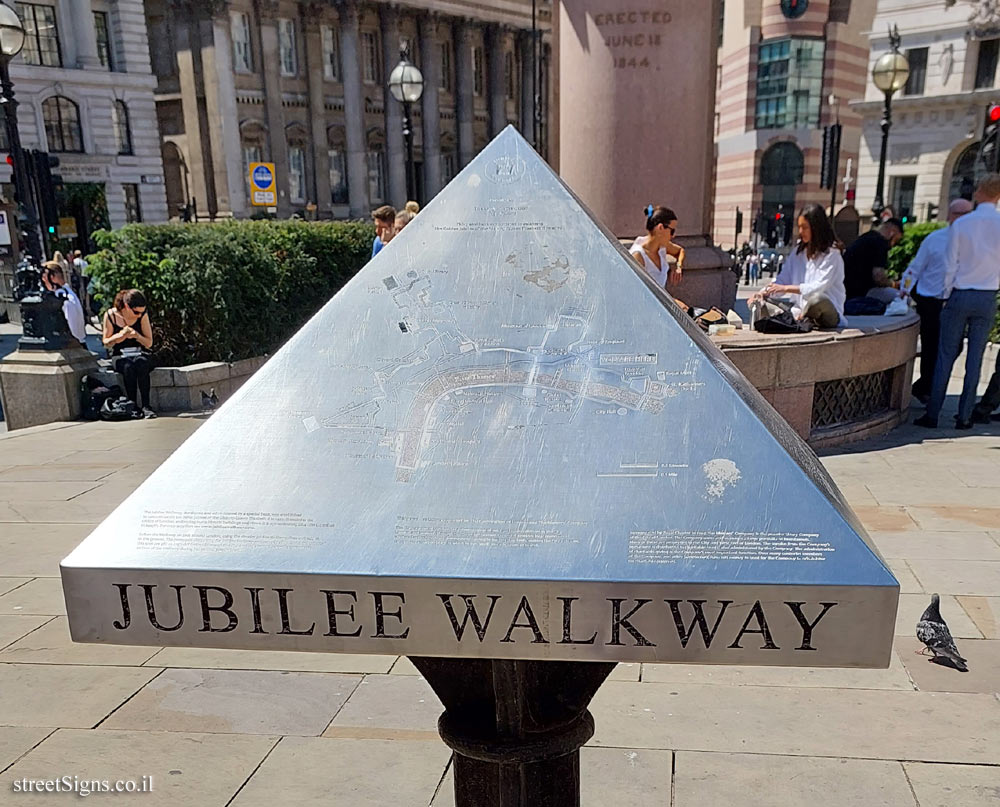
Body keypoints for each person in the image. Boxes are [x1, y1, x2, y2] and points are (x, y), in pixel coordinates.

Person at [915, 174, 1000, 430]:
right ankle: (964, 417)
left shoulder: (963, 225)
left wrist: (945, 294)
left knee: (945, 354)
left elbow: (950, 265)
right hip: (987, 296)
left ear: (979, 192)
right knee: (975, 357)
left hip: (961, 293)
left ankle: (932, 414)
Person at [899, 199, 973, 403]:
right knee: (931, 346)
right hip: (930, 299)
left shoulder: (972, 243)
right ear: (950, 216)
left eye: (969, 214)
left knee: (955, 346)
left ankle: (926, 385)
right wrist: (904, 289)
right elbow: (916, 267)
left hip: (955, 300)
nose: (965, 219)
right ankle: (926, 390)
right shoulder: (935, 239)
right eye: (960, 214)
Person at [748, 204, 846, 329]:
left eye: (804, 227)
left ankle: (799, 318)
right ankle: (797, 318)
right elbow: (781, 280)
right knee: (762, 302)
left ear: (816, 228)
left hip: (825, 311)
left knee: (817, 300)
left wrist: (785, 288)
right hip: (798, 309)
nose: (800, 232)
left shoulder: (832, 255)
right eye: (799, 227)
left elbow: (818, 287)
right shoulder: (797, 253)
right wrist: (762, 293)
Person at [102, 289, 156, 419]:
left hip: (139, 352)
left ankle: (146, 405)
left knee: (141, 363)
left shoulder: (142, 316)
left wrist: (137, 336)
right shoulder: (111, 315)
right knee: (128, 367)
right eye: (136, 312)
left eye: (141, 312)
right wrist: (119, 336)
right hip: (120, 355)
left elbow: (149, 343)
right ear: (126, 306)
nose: (139, 315)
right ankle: (132, 405)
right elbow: (106, 342)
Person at [843, 218, 904, 304]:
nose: (893, 245)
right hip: (863, 292)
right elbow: (879, 277)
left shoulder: (866, 237)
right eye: (896, 240)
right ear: (892, 233)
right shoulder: (880, 244)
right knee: (903, 298)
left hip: (847, 290)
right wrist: (893, 284)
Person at [628, 206, 684, 288]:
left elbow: (680, 251)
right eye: (672, 231)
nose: (673, 235)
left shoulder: (662, 247)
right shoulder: (638, 256)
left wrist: (678, 267)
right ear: (660, 228)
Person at [41, 261, 87, 344]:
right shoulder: (67, 293)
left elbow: (72, 327)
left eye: (44, 278)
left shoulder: (63, 297)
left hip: (72, 346)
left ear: (52, 277)